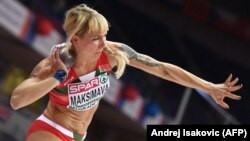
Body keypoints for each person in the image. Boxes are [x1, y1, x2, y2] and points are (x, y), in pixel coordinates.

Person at [10, 3, 243, 141]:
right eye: (96, 38)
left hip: (79, 135)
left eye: (105, 35)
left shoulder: (112, 53)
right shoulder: (56, 63)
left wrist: (208, 87)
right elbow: (17, 101)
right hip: (51, 130)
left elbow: (162, 69)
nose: (104, 42)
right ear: (76, 40)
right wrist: (57, 77)